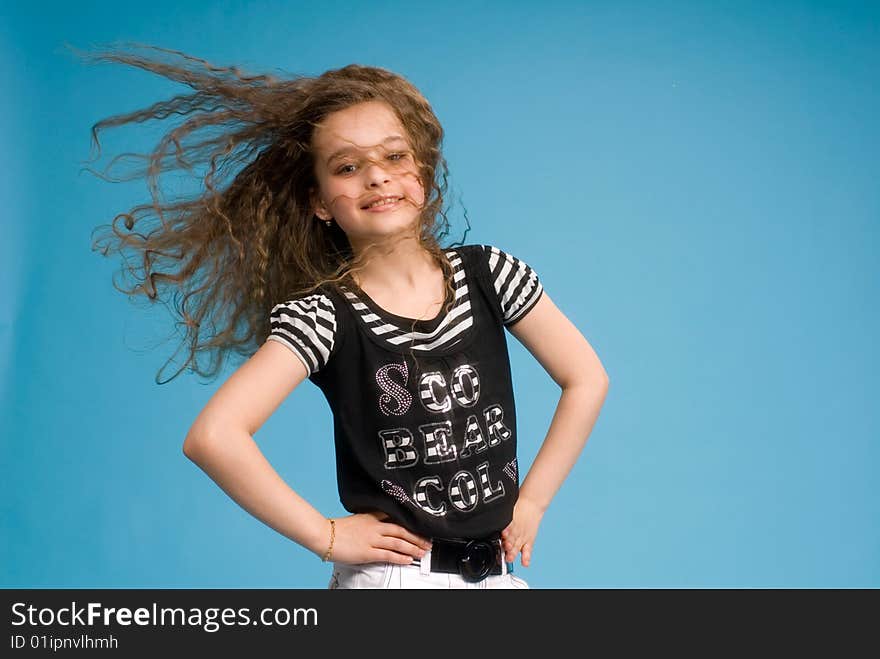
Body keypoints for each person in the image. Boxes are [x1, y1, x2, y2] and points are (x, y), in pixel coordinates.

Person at [82, 44, 609, 589]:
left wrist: (534, 501)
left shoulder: (490, 275)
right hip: (396, 581)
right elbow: (213, 436)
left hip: (493, 576)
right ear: (319, 202)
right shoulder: (325, 317)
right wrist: (325, 536)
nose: (377, 178)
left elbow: (586, 378)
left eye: (394, 157)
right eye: (348, 167)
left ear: (422, 176)